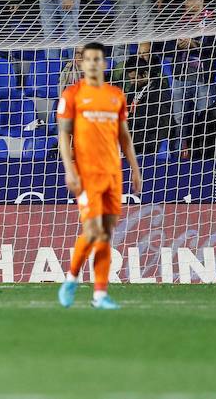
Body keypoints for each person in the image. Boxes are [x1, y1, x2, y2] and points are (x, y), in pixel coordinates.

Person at [56, 42, 142, 310]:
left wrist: (135, 169)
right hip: (86, 173)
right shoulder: (72, 95)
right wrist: (70, 170)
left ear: (105, 64)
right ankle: (72, 278)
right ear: (81, 64)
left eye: (97, 59)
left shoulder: (116, 96)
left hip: (112, 173)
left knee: (105, 233)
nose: (92, 63)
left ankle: (99, 295)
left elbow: (124, 137)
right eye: (87, 59)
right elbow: (63, 135)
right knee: (94, 229)